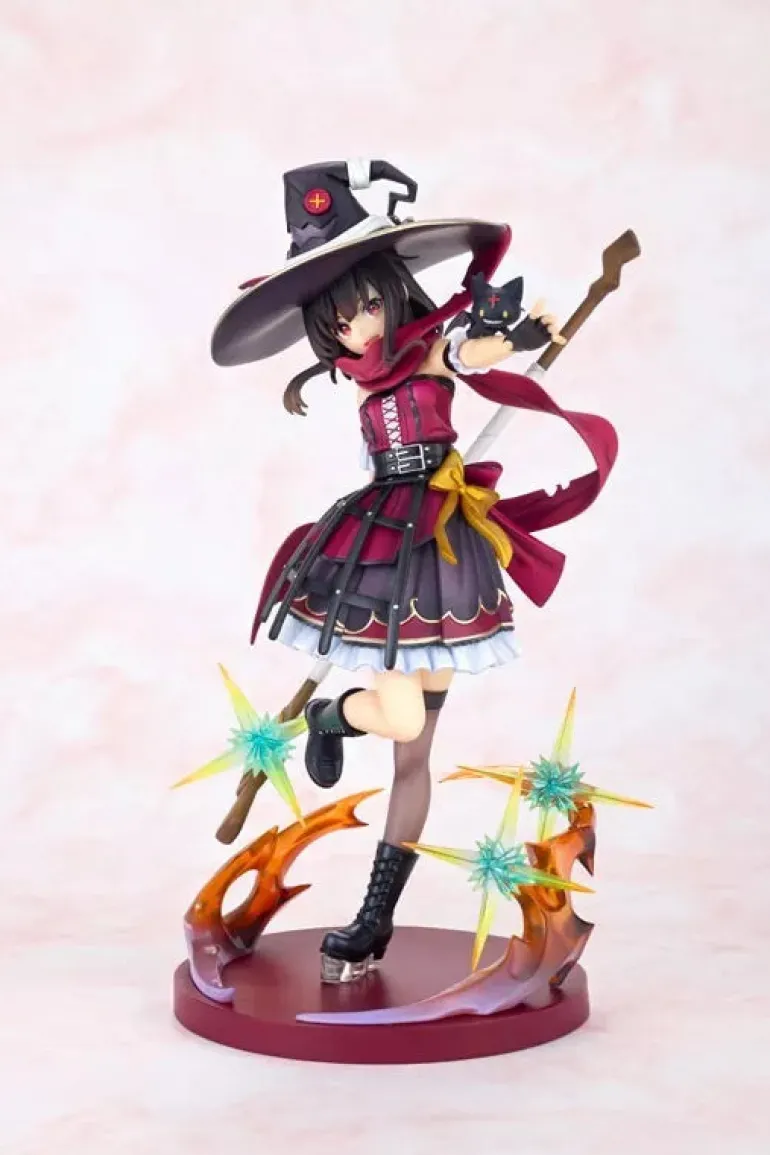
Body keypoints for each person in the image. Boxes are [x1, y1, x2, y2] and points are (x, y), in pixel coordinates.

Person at [211, 159, 618, 982]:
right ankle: (335, 715)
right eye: (338, 321)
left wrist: (515, 336)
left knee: (414, 751)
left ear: (392, 294)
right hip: (380, 549)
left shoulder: (429, 348)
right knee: (399, 718)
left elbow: (473, 345)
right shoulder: (362, 377)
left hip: (442, 553)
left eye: (366, 305)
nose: (358, 328)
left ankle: (375, 918)